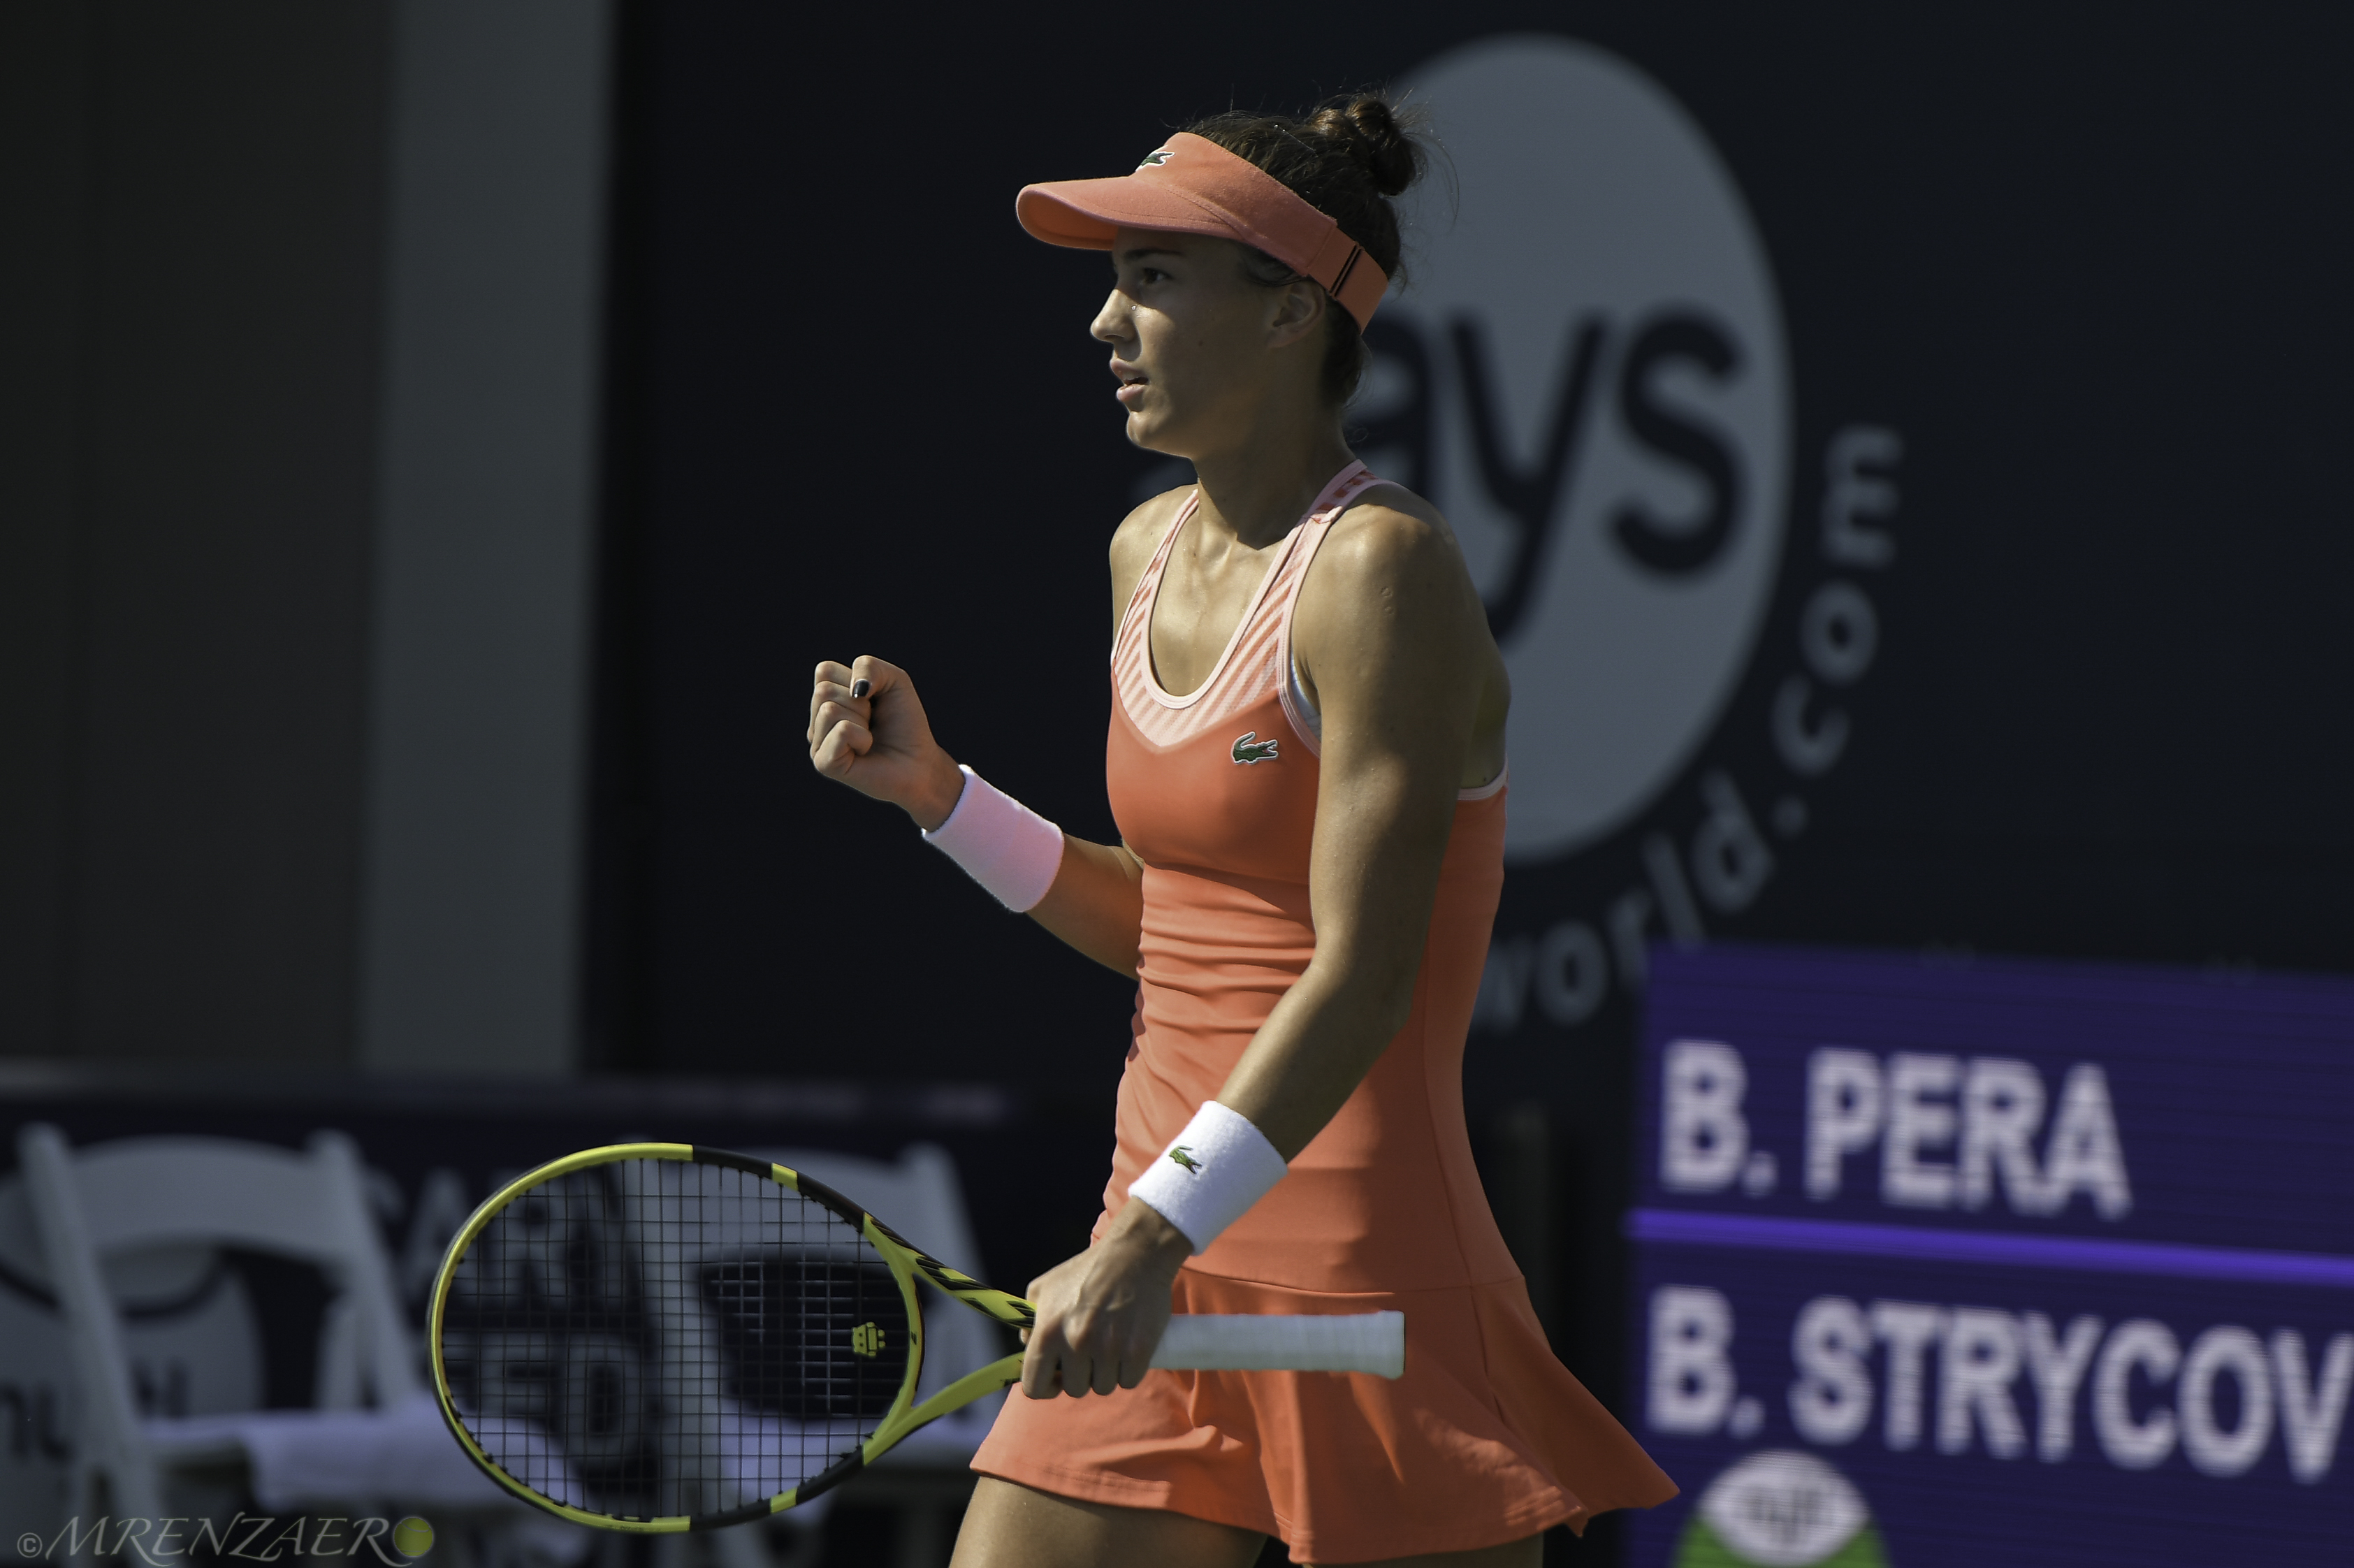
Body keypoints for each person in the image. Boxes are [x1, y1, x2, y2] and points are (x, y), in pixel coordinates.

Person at [808, 95, 1673, 1568]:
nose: (1101, 322)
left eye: (1149, 279)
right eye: (1111, 281)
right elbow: (1173, 923)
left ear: (1287, 314)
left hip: (1361, 1280)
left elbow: (1359, 975)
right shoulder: (1139, 549)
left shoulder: (1381, 574)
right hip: (1159, 1266)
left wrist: (1149, 1230)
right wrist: (942, 800)